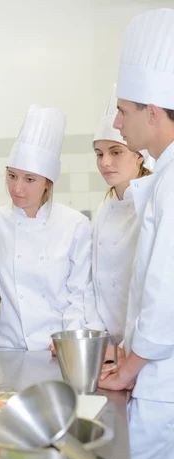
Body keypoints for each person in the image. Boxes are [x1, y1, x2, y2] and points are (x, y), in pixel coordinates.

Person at [99, 9, 174, 459]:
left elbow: (165, 289)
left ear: (152, 111)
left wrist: (133, 360)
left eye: (124, 110)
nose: (119, 121)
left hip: (162, 374)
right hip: (156, 368)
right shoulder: (163, 179)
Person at [0, 105, 92, 355]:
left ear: (48, 182)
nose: (17, 188)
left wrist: (70, 340)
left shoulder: (75, 225)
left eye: (29, 179)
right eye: (12, 176)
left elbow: (81, 295)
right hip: (11, 350)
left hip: (60, 350)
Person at [85, 84, 152, 348]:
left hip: (141, 347)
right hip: (108, 346)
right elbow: (94, 282)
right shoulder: (105, 207)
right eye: (99, 154)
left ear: (138, 156)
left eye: (115, 152)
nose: (105, 163)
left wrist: (127, 349)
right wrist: (97, 337)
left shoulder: (150, 205)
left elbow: (151, 289)